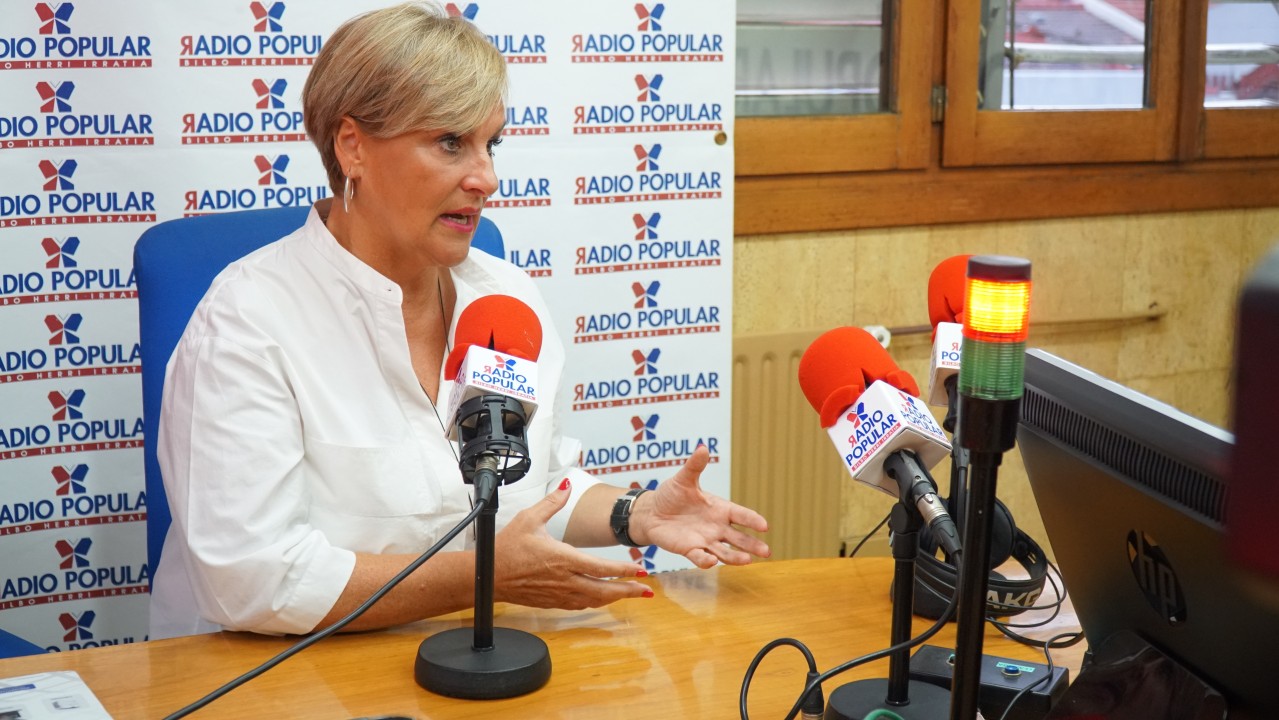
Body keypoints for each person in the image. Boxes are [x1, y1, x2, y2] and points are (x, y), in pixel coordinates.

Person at [148, 1, 770, 641]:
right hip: (264, 669)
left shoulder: (504, 299)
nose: (487, 179)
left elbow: (536, 488)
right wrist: (486, 578)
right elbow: (253, 580)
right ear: (352, 146)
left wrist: (637, 514)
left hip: (464, 655)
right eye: (451, 143)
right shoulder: (248, 320)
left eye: (490, 144)